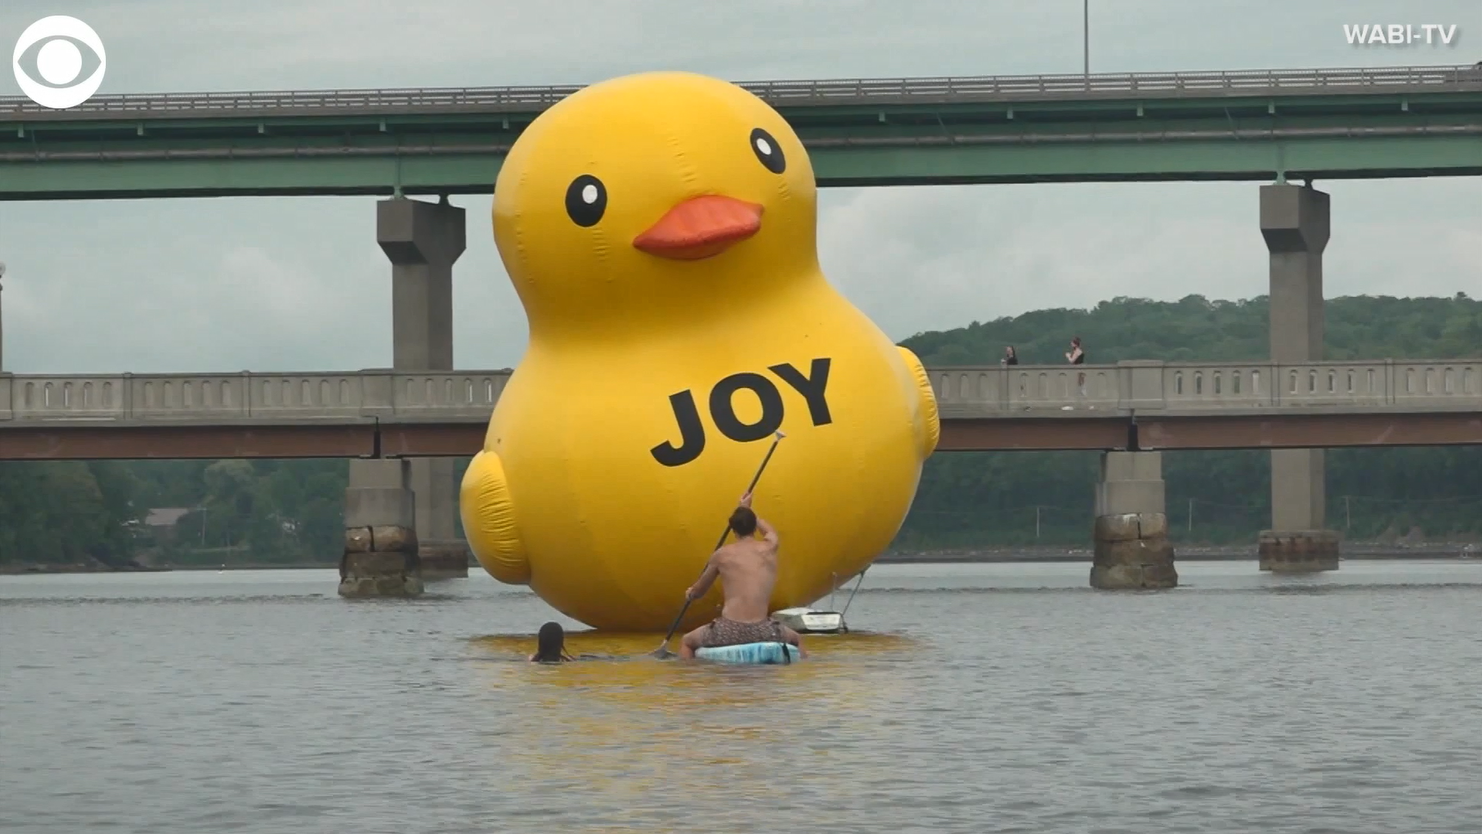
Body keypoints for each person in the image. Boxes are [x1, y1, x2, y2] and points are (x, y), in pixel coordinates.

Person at [678, 492, 805, 659]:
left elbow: (699, 592)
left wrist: (690, 593)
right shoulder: (769, 548)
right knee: (797, 639)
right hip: (764, 630)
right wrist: (748, 510)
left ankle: (689, 674)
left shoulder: (722, 555)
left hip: (730, 630)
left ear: (733, 529)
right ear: (753, 527)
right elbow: (770, 532)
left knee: (687, 642)